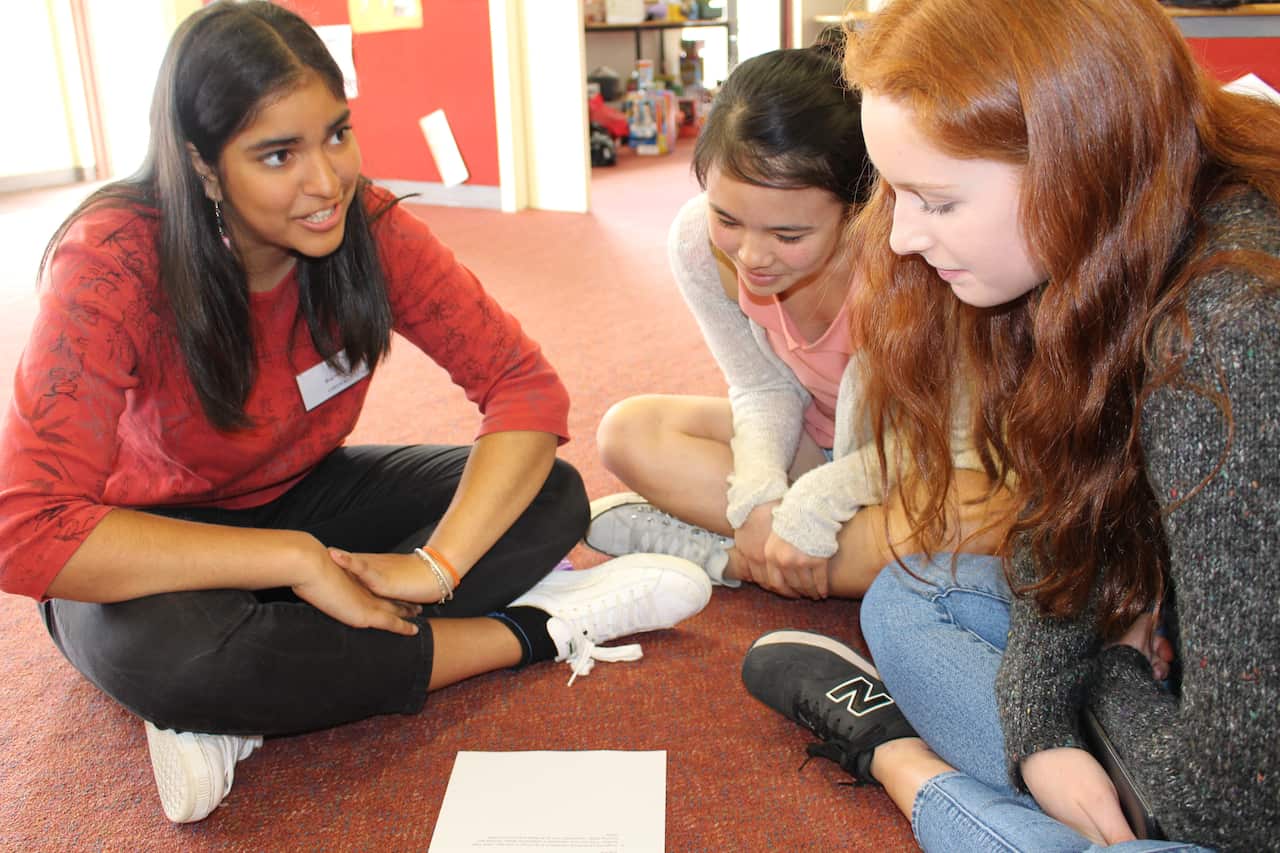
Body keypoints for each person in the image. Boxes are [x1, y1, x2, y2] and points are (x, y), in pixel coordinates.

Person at [0, 1, 712, 824]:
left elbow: (522, 387)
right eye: (277, 154)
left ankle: (267, 690)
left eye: (337, 133)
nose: (325, 179)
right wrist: (295, 561)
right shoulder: (113, 262)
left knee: (549, 496)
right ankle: (537, 630)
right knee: (184, 658)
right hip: (148, 538)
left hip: (304, 489)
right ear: (202, 167)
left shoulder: (363, 223)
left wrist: (436, 564)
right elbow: (30, 530)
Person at [741, 1, 1279, 850]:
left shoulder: (1229, 332)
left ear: (1079, 160)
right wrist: (1042, 721)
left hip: (1237, 786)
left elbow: (1241, 799)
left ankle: (906, 764)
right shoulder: (1119, 240)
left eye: (938, 200)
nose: (906, 236)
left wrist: (1089, 684)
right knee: (910, 593)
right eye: (895, 191)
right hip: (1197, 697)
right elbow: (1065, 520)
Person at [590, 35, 1000, 600]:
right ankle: (773, 552)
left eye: (789, 235)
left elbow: (947, 446)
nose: (753, 257)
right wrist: (758, 496)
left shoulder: (917, 265)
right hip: (807, 449)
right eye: (727, 219)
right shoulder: (697, 244)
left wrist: (819, 503)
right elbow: (759, 386)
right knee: (627, 431)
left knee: (991, 516)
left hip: (909, 465)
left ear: (858, 208)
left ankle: (733, 558)